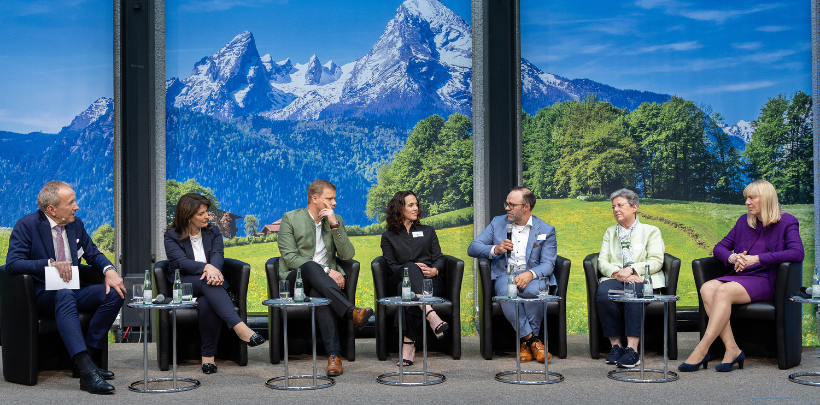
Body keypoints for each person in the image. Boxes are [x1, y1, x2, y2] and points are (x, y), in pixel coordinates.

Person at [4, 181, 125, 394]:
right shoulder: (27, 224)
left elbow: (93, 253)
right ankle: (88, 372)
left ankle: (85, 358)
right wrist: (48, 264)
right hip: (43, 295)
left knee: (115, 292)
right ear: (52, 209)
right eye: (71, 203)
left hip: (74, 289)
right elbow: (13, 263)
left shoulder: (75, 224)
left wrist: (109, 270)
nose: (76, 207)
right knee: (64, 294)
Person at [679, 180, 804, 372]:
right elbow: (718, 247)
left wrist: (758, 259)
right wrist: (732, 257)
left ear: (767, 199)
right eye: (746, 198)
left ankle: (701, 349)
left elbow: (797, 253)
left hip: (766, 280)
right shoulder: (743, 222)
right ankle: (732, 349)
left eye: (752, 198)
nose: (747, 202)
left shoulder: (787, 221)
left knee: (723, 290)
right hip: (741, 277)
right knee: (707, 288)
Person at [277, 179, 373, 376]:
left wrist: (334, 225)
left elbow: (347, 255)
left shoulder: (335, 220)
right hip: (296, 280)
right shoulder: (291, 218)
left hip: (321, 286)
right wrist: (327, 271)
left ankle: (334, 357)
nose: (335, 202)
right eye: (330, 198)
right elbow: (289, 257)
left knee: (319, 295)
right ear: (315, 198)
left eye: (335, 198)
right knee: (311, 267)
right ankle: (352, 312)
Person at [164, 193, 266, 375]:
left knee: (206, 302)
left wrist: (214, 270)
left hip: (210, 282)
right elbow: (180, 262)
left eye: (207, 212)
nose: (207, 216)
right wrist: (207, 268)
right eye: (201, 213)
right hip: (184, 283)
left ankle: (208, 359)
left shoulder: (214, 232)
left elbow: (218, 256)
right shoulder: (171, 235)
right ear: (187, 216)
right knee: (208, 284)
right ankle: (241, 329)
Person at [468, 187, 557, 363]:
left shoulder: (546, 229)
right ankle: (532, 341)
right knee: (508, 291)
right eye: (506, 204)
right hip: (504, 275)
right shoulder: (497, 223)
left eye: (511, 205)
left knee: (534, 292)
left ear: (527, 207)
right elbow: (473, 247)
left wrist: (530, 274)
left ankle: (526, 345)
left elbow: (548, 263)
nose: (507, 208)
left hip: (533, 276)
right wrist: (495, 249)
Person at [595, 189, 665, 368]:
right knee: (603, 293)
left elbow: (656, 261)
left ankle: (632, 350)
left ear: (634, 207)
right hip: (617, 278)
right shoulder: (610, 232)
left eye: (620, 205)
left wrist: (632, 270)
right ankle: (616, 347)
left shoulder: (651, 231)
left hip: (642, 279)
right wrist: (618, 273)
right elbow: (602, 261)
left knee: (633, 293)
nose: (616, 209)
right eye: (613, 207)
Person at [380, 191, 449, 366]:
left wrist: (433, 271)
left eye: (416, 204)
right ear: (399, 208)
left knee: (408, 293)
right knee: (410, 268)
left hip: (429, 282)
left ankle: (408, 345)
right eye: (411, 205)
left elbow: (439, 259)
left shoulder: (428, 231)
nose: (416, 208)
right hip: (400, 280)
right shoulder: (388, 236)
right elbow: (391, 267)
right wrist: (410, 268)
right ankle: (430, 314)